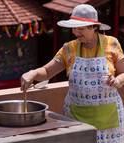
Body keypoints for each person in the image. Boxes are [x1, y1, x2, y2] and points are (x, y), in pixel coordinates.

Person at [21, 4, 124, 143]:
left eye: (80, 28)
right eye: (74, 28)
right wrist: (32, 73)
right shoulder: (69, 49)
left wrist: (117, 81)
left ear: (93, 27)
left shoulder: (112, 44)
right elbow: (46, 72)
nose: (76, 32)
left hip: (107, 118)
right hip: (76, 116)